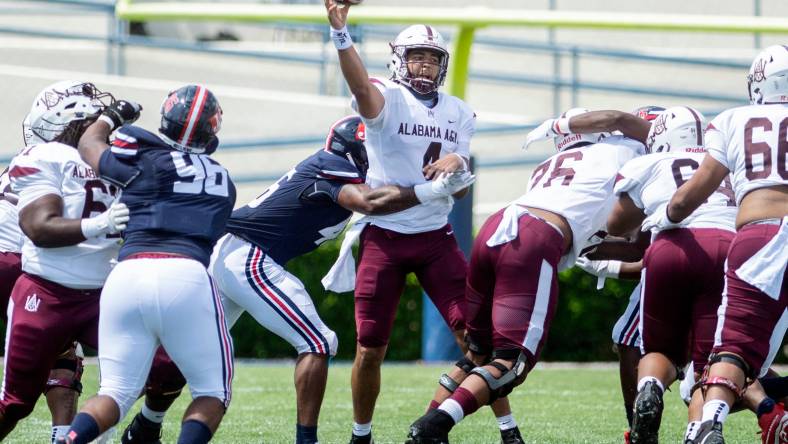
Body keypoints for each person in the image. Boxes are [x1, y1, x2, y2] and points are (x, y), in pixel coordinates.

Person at [120, 115, 474, 444]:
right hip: (249, 256)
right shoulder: (335, 168)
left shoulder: (329, 164)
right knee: (318, 342)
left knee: (190, 347)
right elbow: (367, 202)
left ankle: (144, 425)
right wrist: (430, 190)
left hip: (230, 253)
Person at [321, 3, 513, 443]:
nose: (425, 65)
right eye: (416, 56)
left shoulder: (459, 111)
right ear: (397, 60)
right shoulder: (387, 97)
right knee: (370, 348)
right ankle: (360, 434)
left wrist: (459, 164)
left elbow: (460, 191)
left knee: (477, 340)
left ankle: (508, 429)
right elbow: (358, 84)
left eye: (432, 58)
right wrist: (341, 31)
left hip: (435, 237)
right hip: (385, 238)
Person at [406, 108, 644, 443]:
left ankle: (431, 422)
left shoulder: (545, 168)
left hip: (495, 229)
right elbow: (620, 120)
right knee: (511, 363)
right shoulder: (626, 151)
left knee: (478, 351)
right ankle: (434, 426)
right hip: (535, 238)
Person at [61, 84, 235, 444]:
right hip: (185, 274)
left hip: (128, 274)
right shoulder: (224, 182)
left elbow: (90, 146)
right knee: (211, 392)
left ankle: (71, 440)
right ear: (213, 128)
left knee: (115, 393)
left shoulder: (142, 158)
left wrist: (114, 115)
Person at [644, 45, 788, 444]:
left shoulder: (732, 119)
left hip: (759, 234)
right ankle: (766, 412)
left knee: (734, 348)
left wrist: (668, 217)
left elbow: (692, 193)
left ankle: (711, 422)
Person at [525, 105, 664, 443]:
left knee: (630, 340)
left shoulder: (635, 155)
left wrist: (594, 250)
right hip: (738, 253)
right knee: (729, 358)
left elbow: (645, 250)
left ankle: (640, 430)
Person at [0, 81, 128, 442]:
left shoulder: (48, 159)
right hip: (17, 262)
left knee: (55, 352)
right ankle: (66, 433)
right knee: (57, 351)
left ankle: (64, 434)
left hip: (13, 259)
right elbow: (44, 228)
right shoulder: (63, 160)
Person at [603, 106, 739, 444]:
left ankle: (649, 386)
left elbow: (616, 225)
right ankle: (700, 431)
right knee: (709, 363)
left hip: (670, 248)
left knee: (658, 349)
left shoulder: (649, 163)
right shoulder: (727, 164)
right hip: (727, 249)